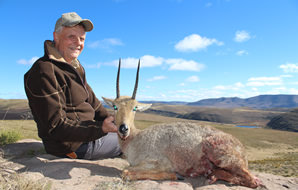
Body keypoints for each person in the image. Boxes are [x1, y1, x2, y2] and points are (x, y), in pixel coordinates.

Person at [24, 12, 121, 159]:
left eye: (82, 38)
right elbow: (56, 126)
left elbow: (94, 105)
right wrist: (100, 128)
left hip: (88, 135)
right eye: (71, 37)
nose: (78, 43)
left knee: (132, 134)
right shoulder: (43, 71)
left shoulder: (75, 67)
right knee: (136, 142)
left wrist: (115, 121)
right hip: (73, 145)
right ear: (56, 37)